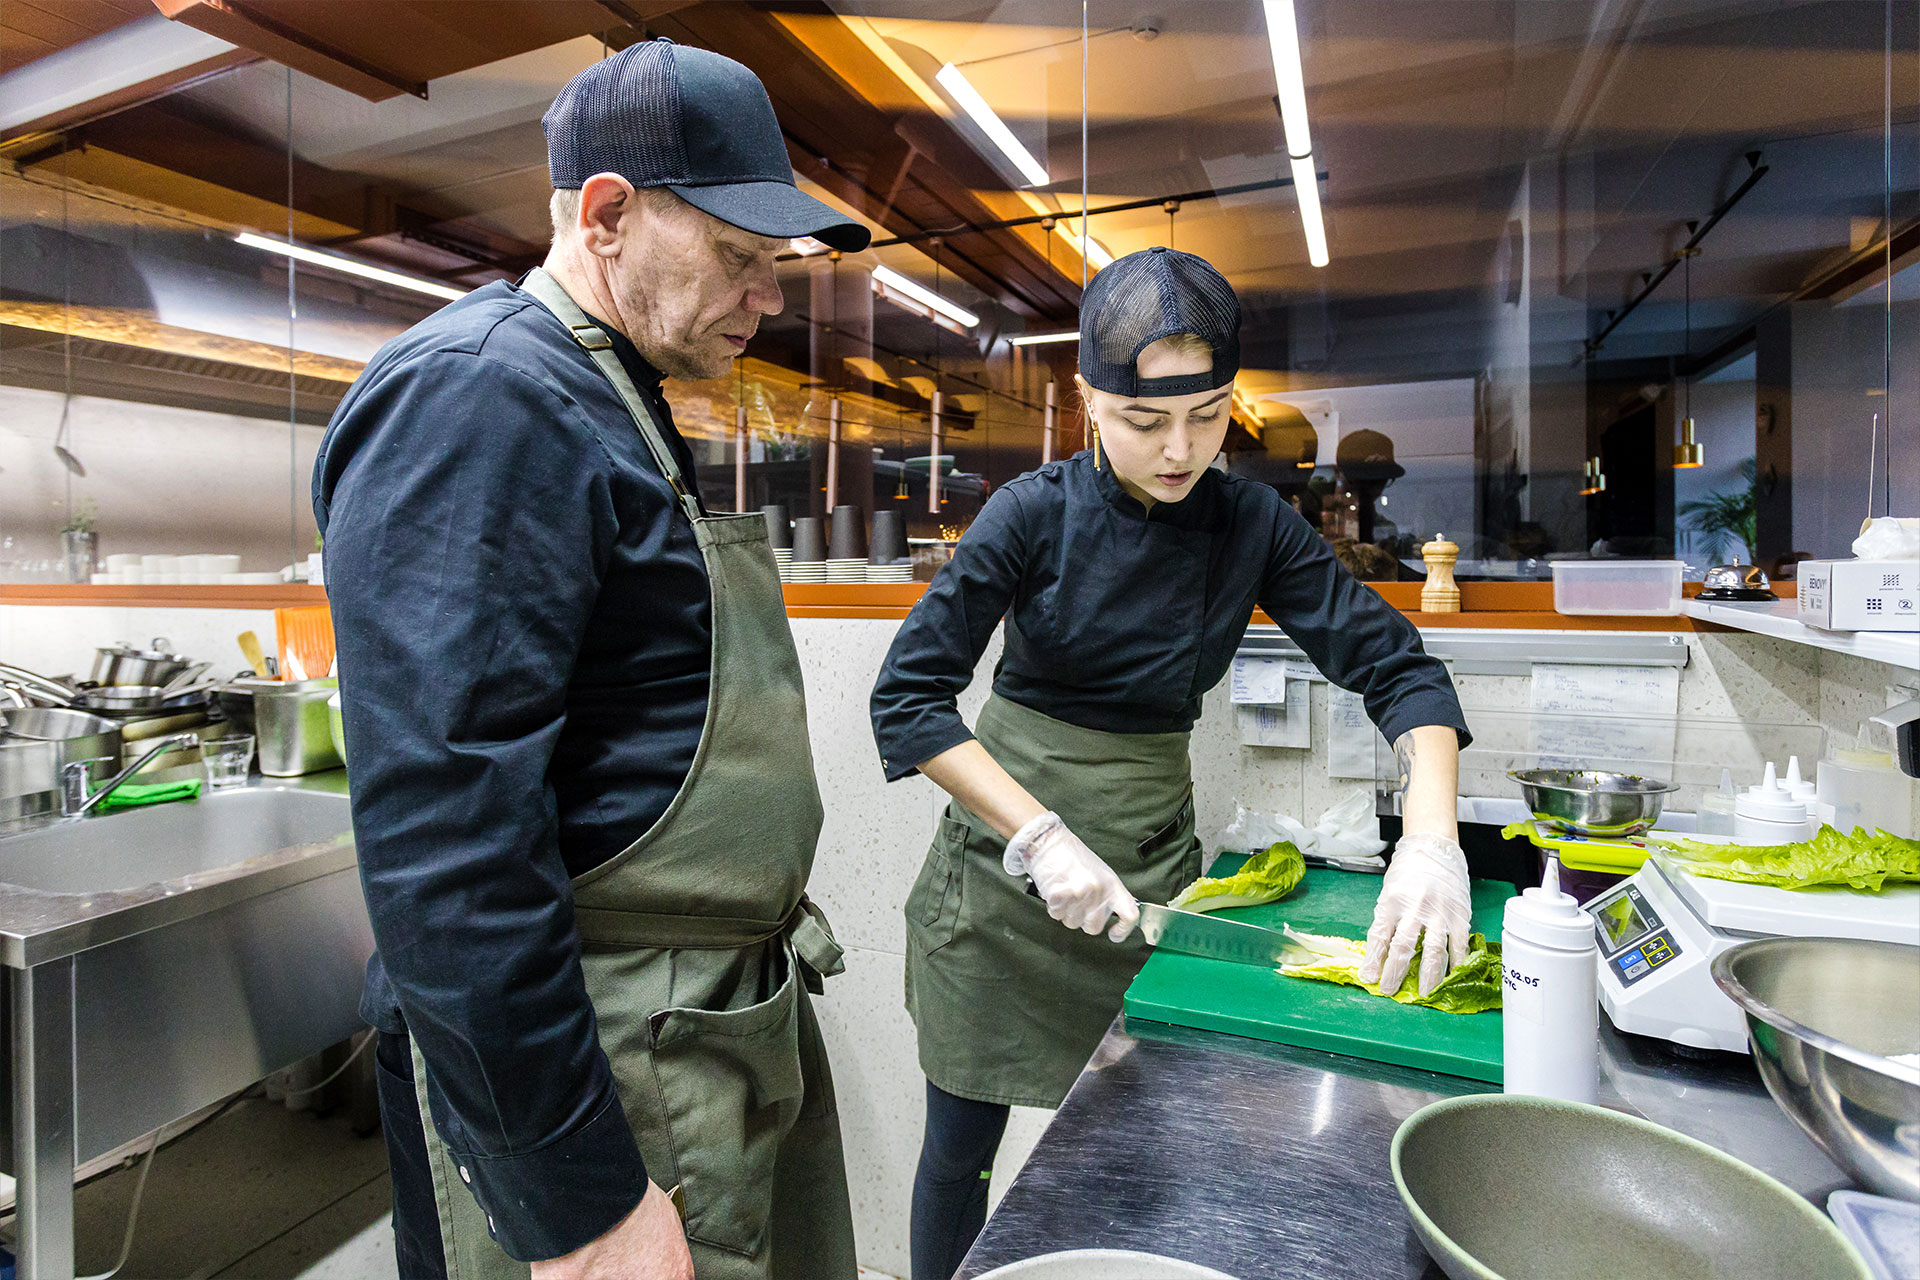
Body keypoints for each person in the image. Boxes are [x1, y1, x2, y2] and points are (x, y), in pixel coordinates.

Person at [315, 39, 869, 1280]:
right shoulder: (479, 400)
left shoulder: (608, 390)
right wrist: (579, 1197)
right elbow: (448, 838)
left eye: (773, 264)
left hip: (685, 1020)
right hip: (602, 1047)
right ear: (608, 215)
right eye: (739, 257)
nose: (766, 298)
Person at [870, 248, 1473, 1279]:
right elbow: (908, 698)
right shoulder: (1032, 512)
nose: (1180, 448)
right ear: (1086, 398)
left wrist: (1430, 836)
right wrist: (1040, 835)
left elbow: (1400, 672)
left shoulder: (1252, 525)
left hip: (1143, 879)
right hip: (1000, 881)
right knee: (959, 1156)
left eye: (1207, 416)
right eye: (1145, 422)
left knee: (1141, 1150)